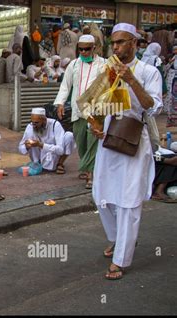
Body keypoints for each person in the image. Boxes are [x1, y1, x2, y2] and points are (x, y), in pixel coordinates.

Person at [90, 23, 163, 280]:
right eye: (114, 43)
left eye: (121, 42)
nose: (117, 47)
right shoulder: (108, 69)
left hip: (134, 138)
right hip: (109, 137)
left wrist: (131, 79)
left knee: (129, 201)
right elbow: (94, 104)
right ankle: (119, 239)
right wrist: (96, 124)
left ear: (134, 43)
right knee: (101, 194)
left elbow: (152, 107)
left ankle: (121, 259)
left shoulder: (149, 71)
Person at [54, 34, 106, 189]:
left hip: (95, 110)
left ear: (94, 48)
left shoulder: (103, 64)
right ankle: (86, 165)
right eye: (81, 49)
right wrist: (60, 103)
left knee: (92, 142)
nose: (83, 52)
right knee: (80, 141)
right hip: (77, 110)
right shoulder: (74, 64)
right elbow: (65, 85)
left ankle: (91, 174)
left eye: (87, 49)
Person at [18, 107, 75, 173]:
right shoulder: (30, 126)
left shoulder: (55, 125)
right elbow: (21, 148)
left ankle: (60, 164)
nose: (34, 125)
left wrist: (41, 145)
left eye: (36, 123)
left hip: (54, 153)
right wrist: (26, 146)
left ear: (44, 120)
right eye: (32, 122)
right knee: (31, 141)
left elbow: (60, 150)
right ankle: (36, 163)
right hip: (40, 154)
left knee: (69, 136)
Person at [164, 46, 177, 127]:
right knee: (170, 98)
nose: (175, 51)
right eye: (174, 49)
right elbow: (165, 69)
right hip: (171, 81)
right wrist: (170, 62)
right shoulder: (171, 58)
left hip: (174, 81)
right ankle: (170, 119)